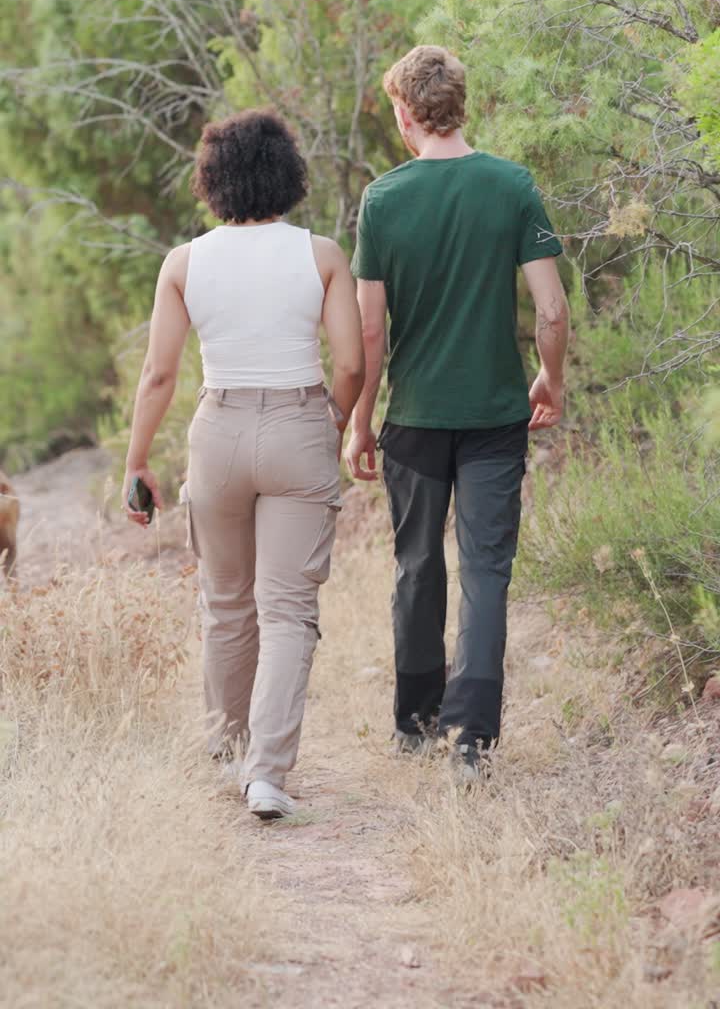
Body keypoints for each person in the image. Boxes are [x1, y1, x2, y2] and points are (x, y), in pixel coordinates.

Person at [123, 109, 364, 819]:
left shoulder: (185, 262)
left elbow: (159, 376)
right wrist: (336, 419)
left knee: (226, 605)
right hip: (298, 420)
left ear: (212, 182)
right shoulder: (321, 255)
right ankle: (266, 776)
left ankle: (225, 748)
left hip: (218, 429)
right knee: (287, 611)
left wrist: (137, 460)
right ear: (287, 174)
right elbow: (350, 361)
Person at [346, 45, 569, 781]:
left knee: (416, 567)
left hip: (412, 415)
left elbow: (370, 331)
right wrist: (550, 378)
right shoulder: (511, 187)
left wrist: (358, 418)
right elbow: (552, 309)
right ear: (460, 105)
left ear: (406, 115)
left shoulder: (383, 199)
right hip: (495, 417)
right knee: (485, 573)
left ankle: (415, 725)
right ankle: (471, 740)